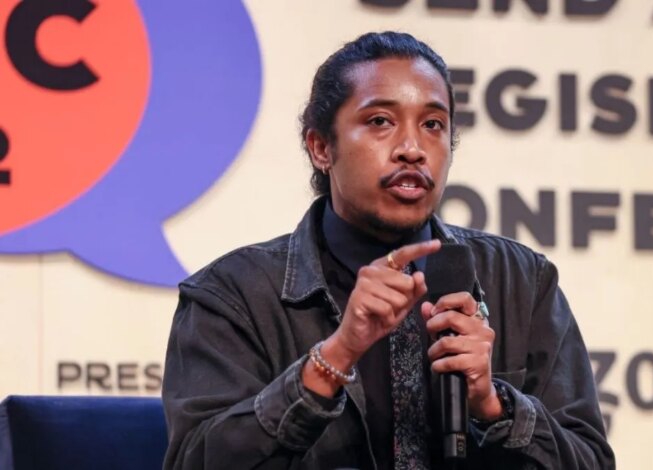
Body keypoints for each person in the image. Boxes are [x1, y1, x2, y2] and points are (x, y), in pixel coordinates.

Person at [162, 31, 615, 469]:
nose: (412, 149)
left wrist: (494, 405)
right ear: (321, 147)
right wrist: (334, 358)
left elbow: (591, 460)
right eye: (380, 121)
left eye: (433, 125)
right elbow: (194, 462)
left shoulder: (522, 282)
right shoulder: (233, 295)